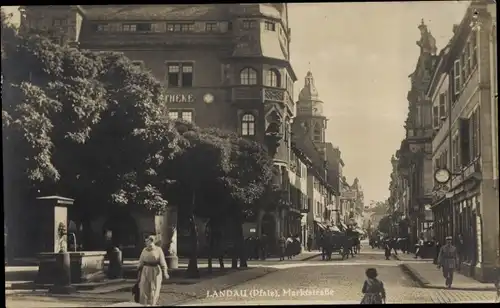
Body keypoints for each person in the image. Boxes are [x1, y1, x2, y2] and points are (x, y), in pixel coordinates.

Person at [137, 235, 169, 306]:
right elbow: (141, 260)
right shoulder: (144, 250)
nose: (145, 242)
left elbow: (162, 261)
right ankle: (144, 304)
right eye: (145, 241)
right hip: (146, 270)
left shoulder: (158, 249)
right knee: (143, 287)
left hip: (155, 270)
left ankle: (153, 304)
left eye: (147, 241)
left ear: (151, 241)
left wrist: (165, 272)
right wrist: (138, 267)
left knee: (154, 288)